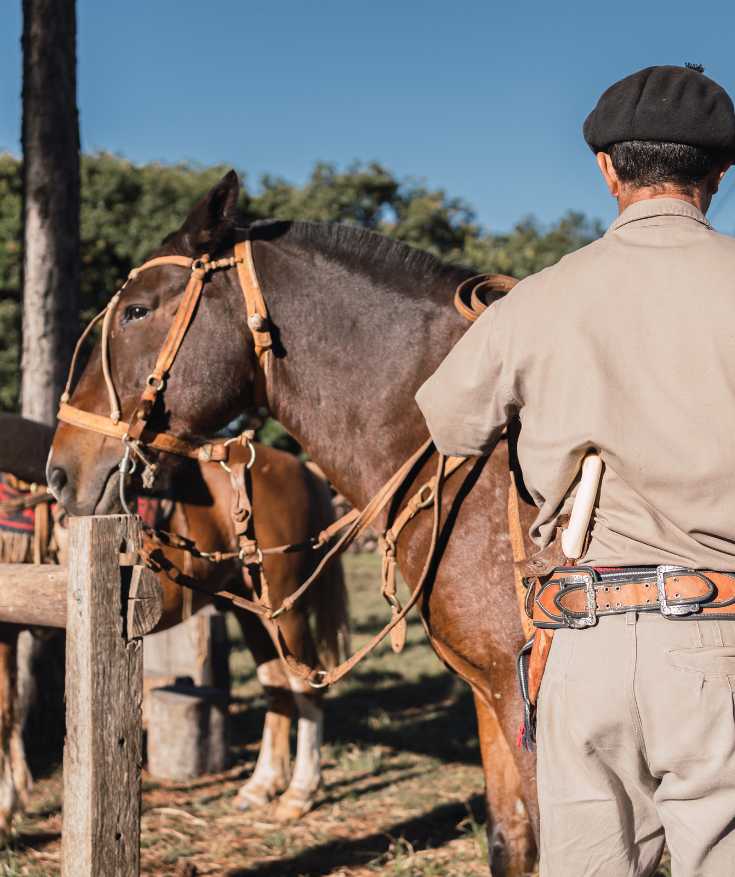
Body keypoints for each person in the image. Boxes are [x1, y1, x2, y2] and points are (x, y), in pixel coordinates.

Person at [415, 64, 735, 876]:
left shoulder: (538, 300)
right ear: (719, 177)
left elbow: (448, 422)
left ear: (606, 169)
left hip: (582, 641)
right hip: (722, 643)